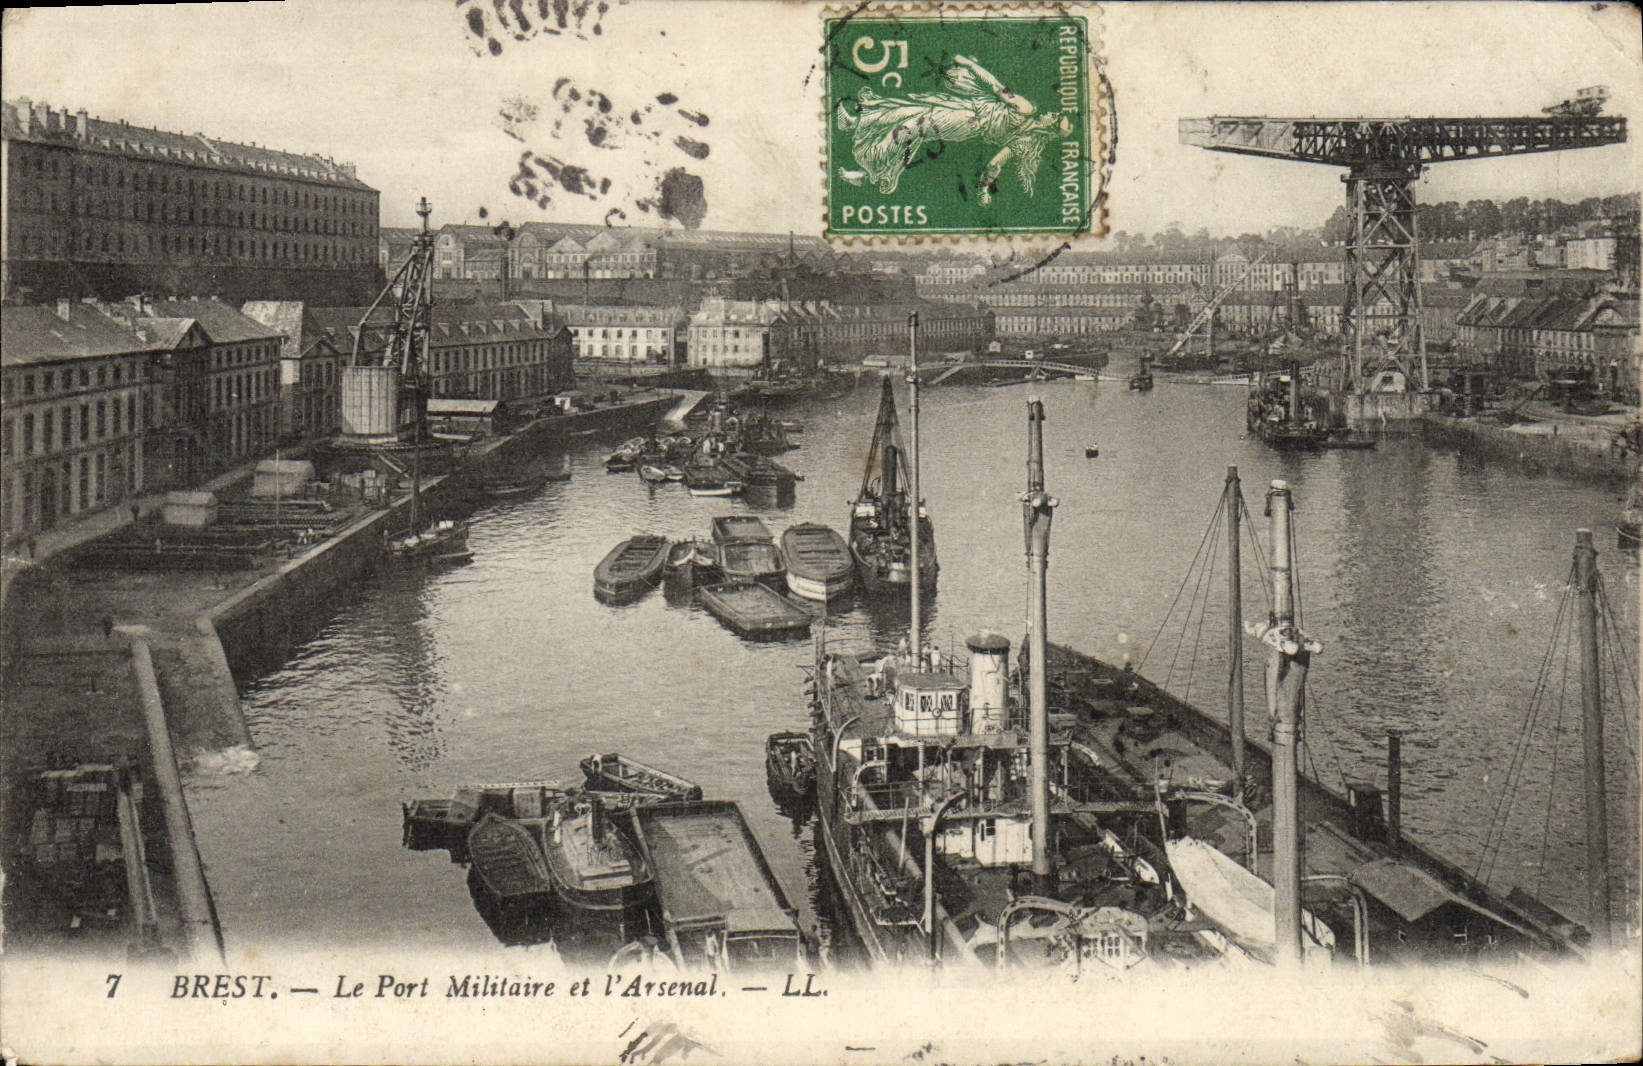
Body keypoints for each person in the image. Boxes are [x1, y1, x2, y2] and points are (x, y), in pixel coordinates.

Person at [836, 54, 1073, 204]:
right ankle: (856, 122)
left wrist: (969, 64)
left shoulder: (1026, 118)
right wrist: (983, 190)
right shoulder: (1026, 131)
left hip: (967, 120)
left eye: (1055, 118)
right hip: (970, 107)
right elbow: (995, 164)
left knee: (911, 127)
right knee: (912, 107)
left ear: (1050, 129)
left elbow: (996, 87)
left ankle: (866, 172)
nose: (1052, 113)